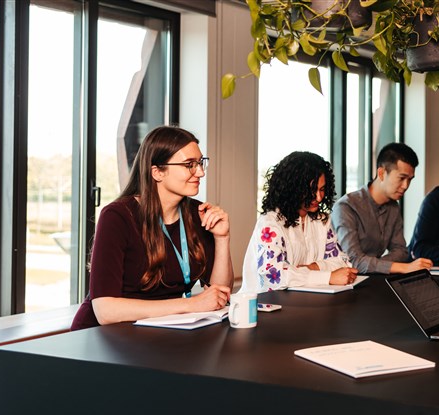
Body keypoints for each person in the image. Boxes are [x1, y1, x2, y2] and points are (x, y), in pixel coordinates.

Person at [71, 126, 234, 330]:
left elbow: (219, 293)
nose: (200, 172)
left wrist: (222, 238)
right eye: (189, 165)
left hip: (158, 333)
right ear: (157, 172)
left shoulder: (197, 213)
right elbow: (105, 311)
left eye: (201, 163)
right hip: (103, 337)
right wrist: (190, 305)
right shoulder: (117, 216)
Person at [241, 151, 357, 293]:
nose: (319, 198)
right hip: (262, 307)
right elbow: (273, 276)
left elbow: (343, 262)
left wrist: (311, 268)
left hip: (306, 303)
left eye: (322, 189)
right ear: (293, 189)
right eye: (312, 191)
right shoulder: (270, 224)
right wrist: (328, 277)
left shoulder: (321, 220)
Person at [331, 143, 433, 274]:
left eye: (410, 180)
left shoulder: (393, 207)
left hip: (374, 279)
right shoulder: (346, 207)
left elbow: (401, 251)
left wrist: (376, 265)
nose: (405, 186)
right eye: (401, 178)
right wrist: (402, 267)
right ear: (381, 173)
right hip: (344, 284)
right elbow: (353, 261)